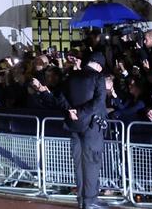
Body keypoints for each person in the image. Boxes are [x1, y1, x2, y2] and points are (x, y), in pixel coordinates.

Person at [38, 52, 108, 209]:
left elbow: (60, 96)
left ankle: (82, 200)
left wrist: (71, 110)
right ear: (99, 65)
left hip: (73, 125)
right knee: (91, 162)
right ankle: (90, 200)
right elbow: (98, 102)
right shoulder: (98, 78)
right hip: (91, 126)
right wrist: (81, 113)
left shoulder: (71, 76)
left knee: (78, 163)